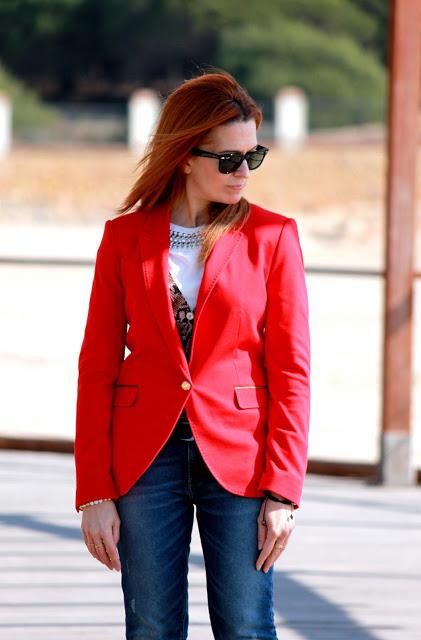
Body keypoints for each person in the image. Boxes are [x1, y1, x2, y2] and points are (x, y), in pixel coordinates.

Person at [74, 67, 311, 640]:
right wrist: (93, 491)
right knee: (152, 627)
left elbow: (291, 371)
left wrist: (284, 488)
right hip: (143, 460)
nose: (242, 173)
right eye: (227, 159)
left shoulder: (273, 236)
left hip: (242, 459)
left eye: (252, 157)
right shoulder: (123, 239)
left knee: (246, 625)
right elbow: (97, 366)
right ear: (184, 155)